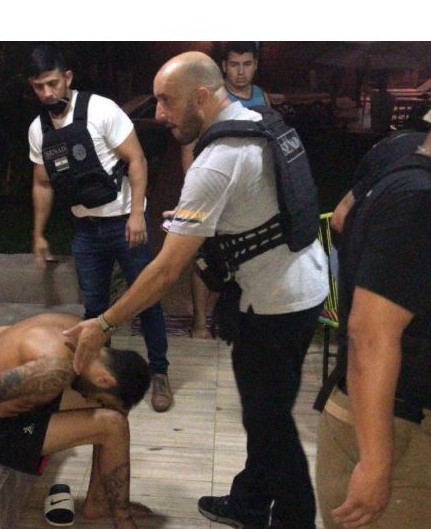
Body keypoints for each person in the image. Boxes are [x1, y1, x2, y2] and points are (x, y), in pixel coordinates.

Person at [63, 51, 329, 529]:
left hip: (275, 304)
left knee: (271, 426)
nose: (159, 113)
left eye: (167, 100)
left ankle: (296, 521)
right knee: (266, 414)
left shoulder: (217, 162)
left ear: (202, 97)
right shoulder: (257, 121)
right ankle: (250, 502)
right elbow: (256, 204)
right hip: (301, 284)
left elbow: (166, 271)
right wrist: (199, 220)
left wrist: (103, 323)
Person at [314, 60, 431, 529]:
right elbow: (370, 334)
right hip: (399, 439)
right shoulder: (424, 202)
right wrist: (376, 463)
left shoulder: (424, 186)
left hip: (414, 434)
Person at [25, 43, 172, 412]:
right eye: (39, 87)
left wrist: (136, 214)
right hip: (86, 229)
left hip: (125, 222)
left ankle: (159, 372)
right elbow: (42, 183)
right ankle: (102, 377)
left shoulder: (101, 110)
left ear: (67, 77)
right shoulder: (39, 130)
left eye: (53, 83)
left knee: (146, 300)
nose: (48, 93)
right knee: (94, 308)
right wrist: (39, 233)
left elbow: (136, 160)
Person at [0, 313, 153, 529]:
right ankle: (122, 519)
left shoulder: (78, 330)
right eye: (100, 396)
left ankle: (97, 501)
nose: (93, 400)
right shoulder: (54, 371)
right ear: (105, 380)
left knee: (113, 411)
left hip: (15, 408)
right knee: (112, 424)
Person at [181, 42, 273, 338]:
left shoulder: (261, 97)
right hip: (215, 188)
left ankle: (232, 317)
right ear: (224, 66)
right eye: (234, 64)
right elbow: (190, 145)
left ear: (255, 65)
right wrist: (194, 186)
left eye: (247, 64)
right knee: (206, 257)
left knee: (244, 254)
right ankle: (199, 322)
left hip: (250, 192)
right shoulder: (215, 98)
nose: (241, 71)